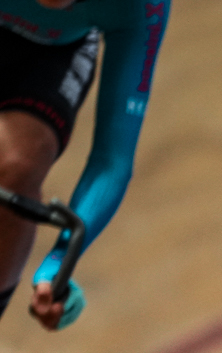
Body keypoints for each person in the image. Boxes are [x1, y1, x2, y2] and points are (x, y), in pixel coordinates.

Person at [0, 0, 169, 330]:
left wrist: (59, 262)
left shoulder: (138, 6)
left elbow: (112, 161)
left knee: (18, 164)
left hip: (54, 55)